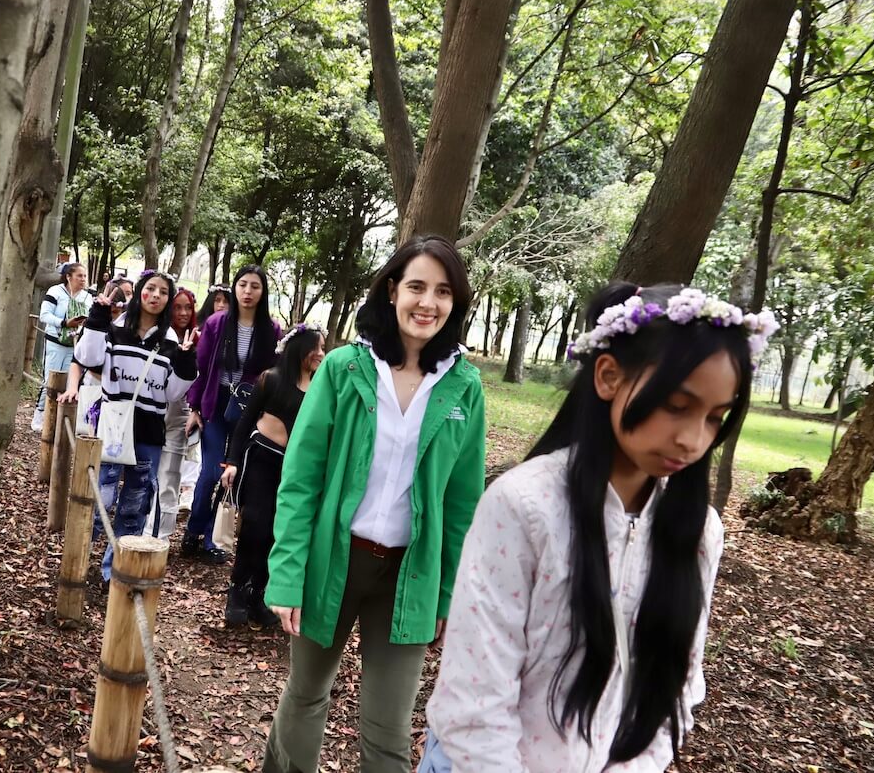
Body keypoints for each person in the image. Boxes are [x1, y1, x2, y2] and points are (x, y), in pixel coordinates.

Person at [420, 284, 779, 773]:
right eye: (676, 405)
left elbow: (677, 686)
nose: (693, 439)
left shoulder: (698, 531)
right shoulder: (524, 506)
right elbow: (475, 702)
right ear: (609, 376)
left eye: (715, 417)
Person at [261, 237, 486, 773]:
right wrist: (288, 574)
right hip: (332, 559)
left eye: (442, 291)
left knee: (389, 727)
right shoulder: (344, 368)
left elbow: (462, 505)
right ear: (392, 290)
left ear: (455, 302)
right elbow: (301, 480)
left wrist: (447, 595)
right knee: (307, 694)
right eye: (416, 287)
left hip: (410, 573)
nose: (427, 302)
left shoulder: (464, 387)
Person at [60, 270, 199, 581]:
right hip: (113, 425)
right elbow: (88, 357)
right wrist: (97, 316)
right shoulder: (117, 327)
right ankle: (77, 563)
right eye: (150, 289)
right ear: (139, 292)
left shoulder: (171, 341)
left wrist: (187, 359)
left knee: (135, 504)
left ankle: (115, 572)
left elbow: (172, 392)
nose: (156, 296)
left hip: (148, 431)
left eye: (163, 292)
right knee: (100, 499)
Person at [220, 323, 325, 628]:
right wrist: (232, 462)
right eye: (315, 348)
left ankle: (259, 595)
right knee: (255, 526)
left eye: (322, 348)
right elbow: (244, 424)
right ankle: (237, 591)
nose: (321, 354)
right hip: (261, 460)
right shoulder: (271, 380)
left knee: (280, 532)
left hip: (297, 472)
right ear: (299, 350)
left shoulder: (321, 389)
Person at [182, 265, 282, 563]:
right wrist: (195, 407)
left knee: (231, 475)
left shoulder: (272, 330)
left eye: (255, 286)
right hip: (216, 402)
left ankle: (214, 539)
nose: (248, 292)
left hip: (248, 409)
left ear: (263, 292)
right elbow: (201, 369)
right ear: (234, 289)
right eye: (243, 285)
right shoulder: (216, 323)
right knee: (211, 471)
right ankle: (194, 528)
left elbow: (273, 374)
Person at [146, 286, 200, 538]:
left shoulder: (200, 338)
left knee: (169, 477)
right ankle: (139, 528)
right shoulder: (158, 337)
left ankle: (160, 536)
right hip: (152, 411)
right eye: (177, 307)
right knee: (145, 474)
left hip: (180, 414)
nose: (183, 312)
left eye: (188, 307)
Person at [33, 263, 94, 432]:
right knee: (49, 380)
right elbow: (45, 315)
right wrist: (64, 323)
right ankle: (39, 415)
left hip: (73, 345)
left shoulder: (87, 298)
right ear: (69, 276)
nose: (83, 279)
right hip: (54, 341)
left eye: (84, 276)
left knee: (69, 382)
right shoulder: (56, 292)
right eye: (79, 276)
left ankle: (59, 420)